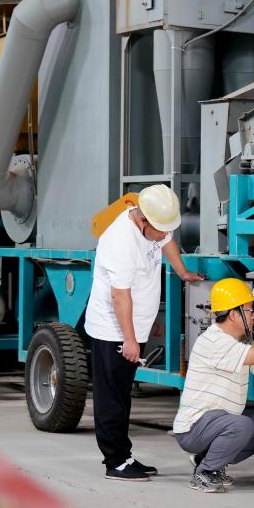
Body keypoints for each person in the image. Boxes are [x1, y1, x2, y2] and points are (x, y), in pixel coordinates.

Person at [84, 184, 204, 481]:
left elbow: (168, 242)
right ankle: (115, 462)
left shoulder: (153, 222)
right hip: (113, 330)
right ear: (143, 221)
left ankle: (124, 456)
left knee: (123, 394)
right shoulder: (120, 241)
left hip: (133, 328)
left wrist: (182, 271)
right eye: (160, 231)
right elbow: (119, 296)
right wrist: (128, 339)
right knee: (112, 396)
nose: (165, 235)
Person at [172, 278, 254, 493]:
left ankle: (208, 459)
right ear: (233, 314)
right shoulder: (215, 341)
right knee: (242, 425)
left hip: (214, 423)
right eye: (249, 310)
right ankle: (205, 473)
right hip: (193, 429)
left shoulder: (236, 343)